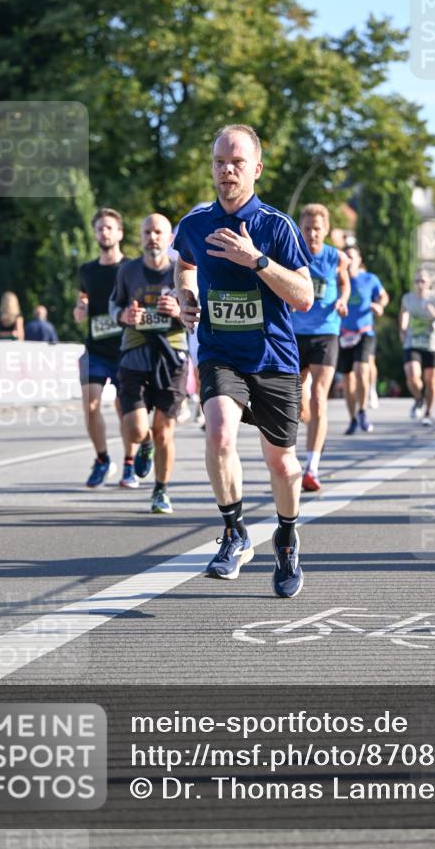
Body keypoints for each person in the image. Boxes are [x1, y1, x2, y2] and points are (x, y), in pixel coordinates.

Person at [173, 123, 313, 598]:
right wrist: (185, 294)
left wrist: (257, 260)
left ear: (256, 168)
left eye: (236, 162)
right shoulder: (195, 223)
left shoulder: (276, 226)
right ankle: (234, 532)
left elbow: (306, 298)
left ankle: (287, 538)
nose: (226, 170)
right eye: (219, 162)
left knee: (285, 467)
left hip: (273, 358)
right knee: (219, 433)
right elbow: (185, 261)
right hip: (220, 354)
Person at [109, 213, 188, 515]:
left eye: (158, 232)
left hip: (173, 356)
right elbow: (114, 305)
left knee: (164, 430)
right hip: (135, 353)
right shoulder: (127, 271)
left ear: (170, 239)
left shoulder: (183, 271)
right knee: (135, 428)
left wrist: (178, 311)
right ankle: (143, 445)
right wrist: (124, 317)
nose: (152, 237)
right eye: (147, 232)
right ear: (140, 237)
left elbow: (199, 312)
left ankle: (161, 490)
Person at [74, 208, 136, 489]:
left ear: (119, 233)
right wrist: (80, 309)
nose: (104, 232)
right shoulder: (86, 270)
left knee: (126, 408)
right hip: (95, 348)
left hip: (126, 348)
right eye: (100, 228)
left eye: (109, 227)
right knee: (90, 405)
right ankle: (102, 460)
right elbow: (82, 299)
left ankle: (129, 464)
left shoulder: (131, 269)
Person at [291, 203, 349, 492]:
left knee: (318, 397)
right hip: (295, 332)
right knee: (296, 399)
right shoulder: (291, 254)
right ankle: (310, 436)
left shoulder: (336, 257)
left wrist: (342, 300)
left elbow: (344, 283)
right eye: (307, 228)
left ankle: (312, 467)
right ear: (300, 229)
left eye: (317, 228)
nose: (312, 233)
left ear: (326, 230)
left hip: (326, 332)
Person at [338, 245, 387, 435]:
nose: (349, 261)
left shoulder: (369, 279)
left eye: (352, 257)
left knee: (362, 368)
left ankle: (363, 411)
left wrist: (380, 305)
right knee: (348, 379)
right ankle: (352, 419)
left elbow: (383, 296)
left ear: (359, 260)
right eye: (346, 257)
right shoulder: (338, 281)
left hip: (364, 331)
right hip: (343, 333)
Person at [399, 270, 435, 427]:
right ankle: (419, 398)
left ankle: (428, 412)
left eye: (423, 281)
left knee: (431, 381)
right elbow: (403, 313)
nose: (420, 284)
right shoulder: (408, 298)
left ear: (429, 283)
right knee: (412, 376)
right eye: (417, 281)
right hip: (412, 343)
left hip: (431, 345)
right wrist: (401, 330)